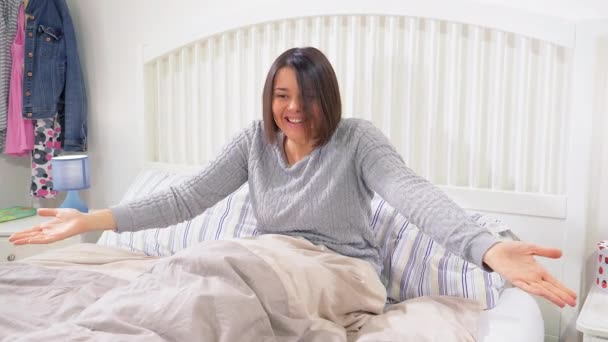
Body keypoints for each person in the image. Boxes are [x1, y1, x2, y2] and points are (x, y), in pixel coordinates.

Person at [9, 47, 576, 309]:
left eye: (306, 96)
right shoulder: (254, 142)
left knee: (222, 265)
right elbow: (187, 198)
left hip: (343, 272)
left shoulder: (358, 139)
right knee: (192, 267)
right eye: (282, 95)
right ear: (269, 98)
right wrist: (92, 219)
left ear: (327, 97)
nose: (294, 108)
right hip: (266, 261)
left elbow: (413, 194)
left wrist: (488, 249)